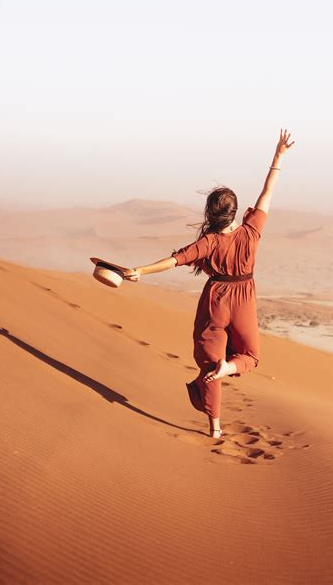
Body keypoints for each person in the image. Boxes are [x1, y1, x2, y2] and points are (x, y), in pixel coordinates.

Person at [122, 129, 295, 438]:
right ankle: (230, 368)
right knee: (250, 357)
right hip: (244, 297)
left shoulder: (209, 242)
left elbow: (175, 260)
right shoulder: (251, 230)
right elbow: (267, 193)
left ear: (211, 215)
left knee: (209, 366)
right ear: (236, 211)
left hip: (216, 299)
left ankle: (215, 428)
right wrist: (278, 157)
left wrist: (140, 271)